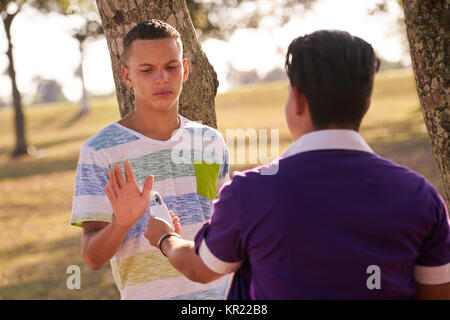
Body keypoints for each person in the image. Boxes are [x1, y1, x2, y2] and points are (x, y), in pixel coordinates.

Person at [106, 30, 450, 299]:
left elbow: (201, 269)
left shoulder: (250, 192)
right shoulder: (420, 196)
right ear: (366, 101)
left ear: (297, 100)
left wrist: (165, 236)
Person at [70, 20, 230, 300]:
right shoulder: (100, 152)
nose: (162, 78)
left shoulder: (210, 141)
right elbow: (92, 257)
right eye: (146, 69)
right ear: (127, 75)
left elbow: (223, 226)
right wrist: (122, 222)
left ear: (185, 69)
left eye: (171, 66)